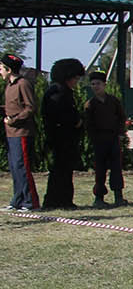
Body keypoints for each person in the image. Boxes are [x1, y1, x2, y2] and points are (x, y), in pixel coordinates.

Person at [42, 58, 85, 210]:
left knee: (62, 170)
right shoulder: (60, 93)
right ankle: (60, 200)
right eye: (76, 78)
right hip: (62, 137)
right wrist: (77, 122)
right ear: (68, 77)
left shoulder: (57, 91)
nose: (76, 81)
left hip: (61, 137)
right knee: (62, 170)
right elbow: (65, 115)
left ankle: (61, 199)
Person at [82, 71, 128, 208]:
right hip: (99, 140)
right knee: (100, 170)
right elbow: (88, 124)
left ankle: (118, 196)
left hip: (113, 138)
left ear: (104, 85)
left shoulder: (113, 101)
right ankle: (99, 197)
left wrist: (120, 133)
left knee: (116, 168)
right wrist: (93, 138)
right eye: (93, 84)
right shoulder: (90, 104)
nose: (96, 87)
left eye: (98, 84)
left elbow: (121, 117)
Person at [2, 53, 39, 212]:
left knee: (22, 167)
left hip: (22, 132)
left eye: (1, 68)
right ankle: (17, 200)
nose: (0, 71)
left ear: (9, 69)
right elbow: (11, 106)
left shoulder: (23, 84)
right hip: (10, 133)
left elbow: (30, 108)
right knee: (14, 167)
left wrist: (14, 120)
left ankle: (30, 202)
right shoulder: (9, 85)